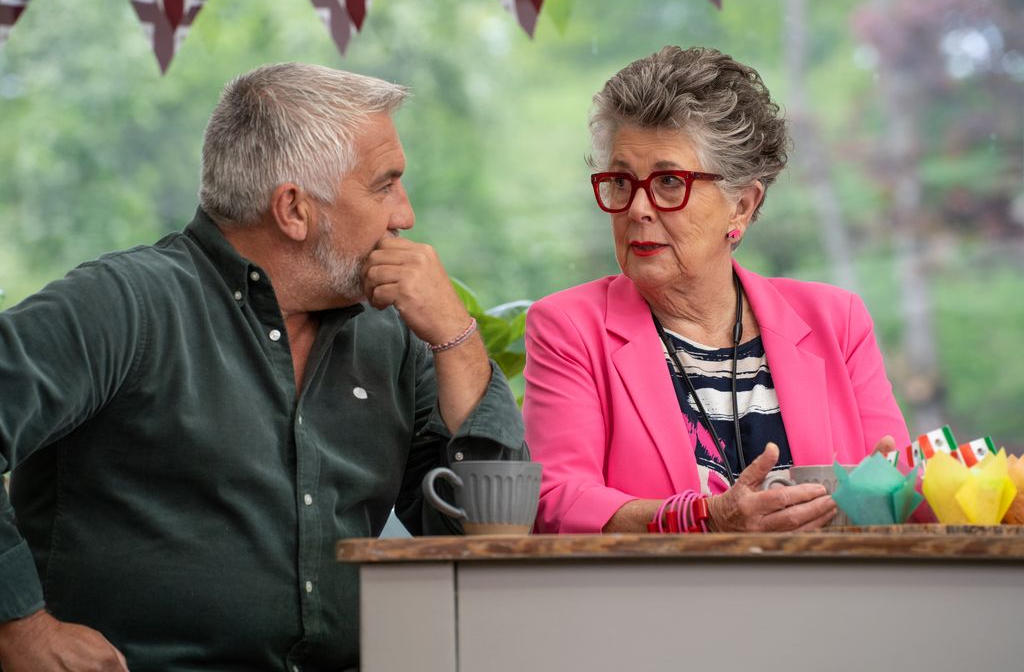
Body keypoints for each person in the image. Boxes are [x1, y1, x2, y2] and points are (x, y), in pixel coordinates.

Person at [0, 62, 526, 671]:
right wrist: (19, 627)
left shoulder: (394, 338)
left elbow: (492, 549)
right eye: (385, 186)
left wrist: (459, 343)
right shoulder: (124, 305)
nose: (404, 216)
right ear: (294, 210)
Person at [522, 46, 908, 535]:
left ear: (741, 206)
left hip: (829, 598)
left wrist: (883, 494)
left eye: (667, 181)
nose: (637, 209)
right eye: (621, 181)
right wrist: (704, 519)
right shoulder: (569, 326)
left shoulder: (837, 320)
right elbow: (558, 501)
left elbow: (899, 483)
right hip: (661, 605)